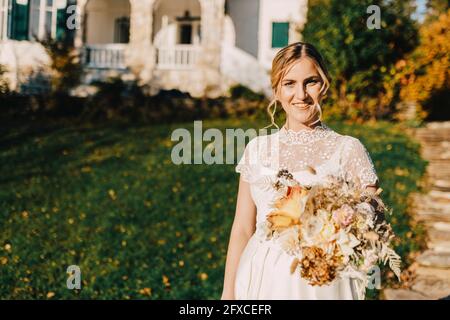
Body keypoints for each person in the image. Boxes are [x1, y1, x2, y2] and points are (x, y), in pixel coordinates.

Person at [221, 42, 379, 300]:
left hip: (322, 283)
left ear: (324, 85)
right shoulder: (257, 150)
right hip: (261, 280)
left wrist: (346, 219)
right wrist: (228, 294)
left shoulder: (348, 149)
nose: (301, 94)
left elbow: (374, 217)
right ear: (276, 91)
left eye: (311, 82)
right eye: (290, 83)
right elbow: (241, 228)